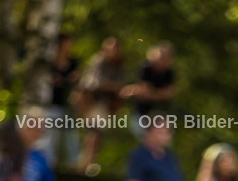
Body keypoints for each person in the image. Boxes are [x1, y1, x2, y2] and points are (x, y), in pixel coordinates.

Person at [75, 36, 126, 173]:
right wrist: (110, 86)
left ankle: (87, 164)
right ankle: (82, 163)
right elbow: (91, 84)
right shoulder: (98, 61)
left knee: (95, 134)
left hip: (102, 105)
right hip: (87, 102)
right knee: (86, 133)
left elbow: (120, 87)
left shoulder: (119, 65)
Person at [121, 42, 176, 132]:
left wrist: (146, 92)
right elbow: (145, 90)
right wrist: (159, 94)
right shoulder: (146, 68)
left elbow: (169, 93)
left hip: (161, 112)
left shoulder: (169, 73)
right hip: (141, 113)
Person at [46, 33, 80, 167]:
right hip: (51, 104)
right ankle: (49, 164)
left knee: (71, 136)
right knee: (51, 137)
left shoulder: (73, 62)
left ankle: (74, 165)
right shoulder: (49, 62)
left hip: (67, 105)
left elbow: (76, 81)